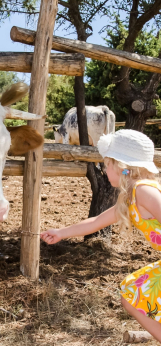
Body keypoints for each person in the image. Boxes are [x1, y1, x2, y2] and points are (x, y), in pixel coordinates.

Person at [41, 129, 161, 341]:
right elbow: (96, 222)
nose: (104, 170)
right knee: (132, 293)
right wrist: (61, 233)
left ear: (121, 167)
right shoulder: (131, 197)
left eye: (107, 164)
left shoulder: (144, 191)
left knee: (133, 293)